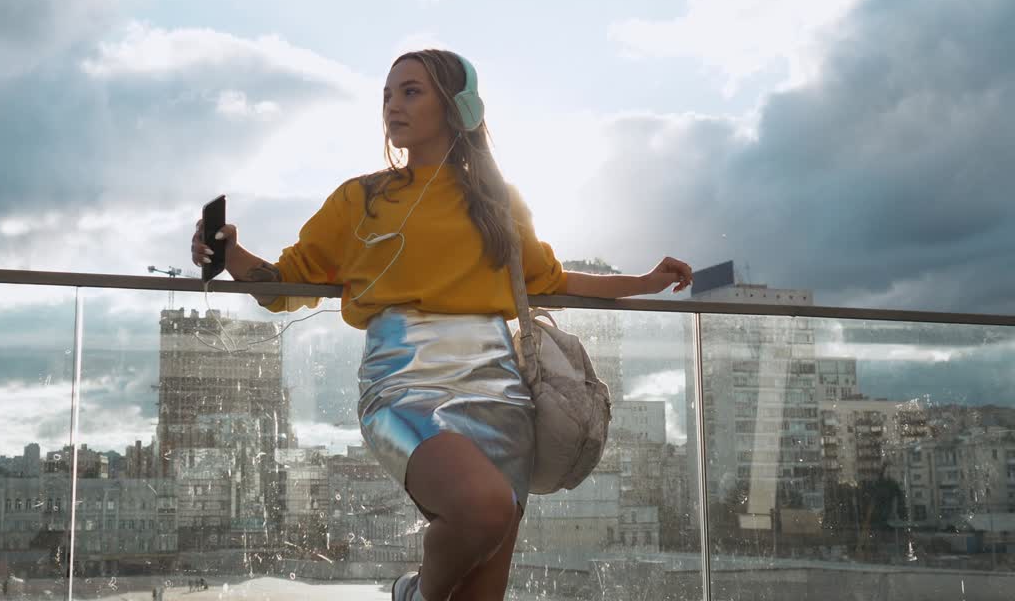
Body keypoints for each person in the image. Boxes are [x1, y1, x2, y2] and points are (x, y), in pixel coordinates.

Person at [191, 49, 692, 601]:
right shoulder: (360, 199)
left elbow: (550, 278)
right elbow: (284, 284)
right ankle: (415, 592)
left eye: (410, 91)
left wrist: (641, 282)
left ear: (456, 107)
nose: (392, 105)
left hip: (501, 394)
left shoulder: (497, 201)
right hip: (403, 384)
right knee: (482, 508)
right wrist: (228, 253)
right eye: (387, 94)